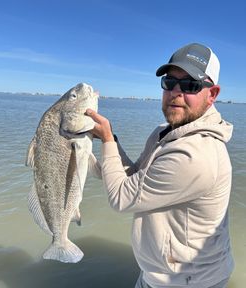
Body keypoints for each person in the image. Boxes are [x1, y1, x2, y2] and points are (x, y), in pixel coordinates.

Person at [86, 43, 234, 288]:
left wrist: (107, 140)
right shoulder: (163, 133)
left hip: (189, 281)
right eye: (169, 82)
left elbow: (121, 198)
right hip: (158, 273)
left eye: (190, 85)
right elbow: (134, 178)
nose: (175, 92)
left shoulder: (194, 155)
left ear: (213, 94)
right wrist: (109, 139)